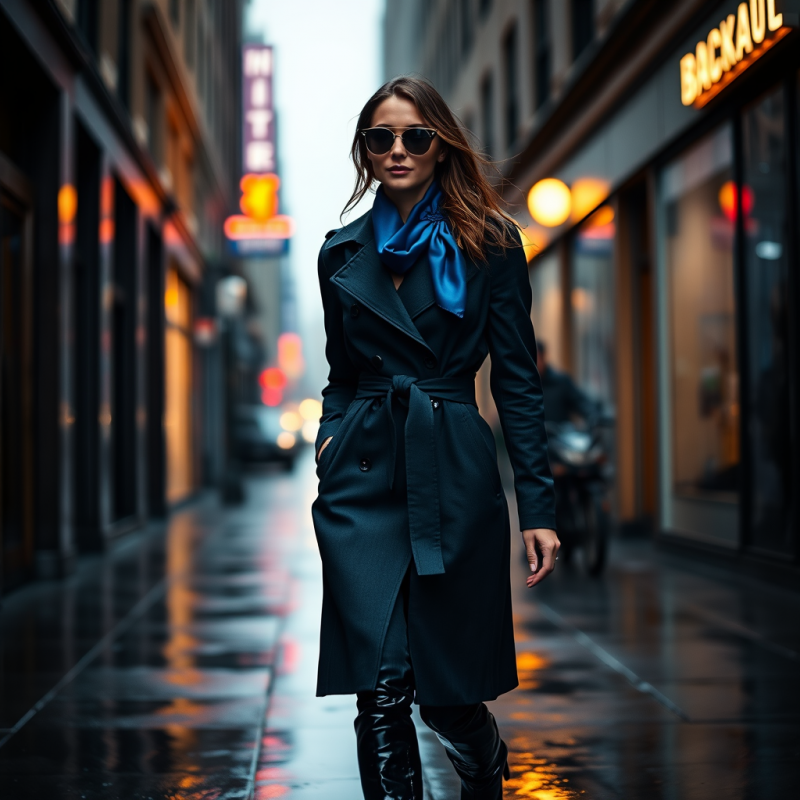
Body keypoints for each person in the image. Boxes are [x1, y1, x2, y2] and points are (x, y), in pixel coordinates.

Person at [312, 76, 559, 800]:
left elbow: (516, 381)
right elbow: (341, 372)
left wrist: (537, 509)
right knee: (380, 684)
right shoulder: (340, 253)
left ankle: (484, 767)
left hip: (452, 470)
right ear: (364, 150)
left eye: (414, 136)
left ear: (440, 144)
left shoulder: (489, 242)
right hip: (365, 480)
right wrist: (330, 437)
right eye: (379, 138)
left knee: (448, 694)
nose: (397, 151)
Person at [536, 341, 598, 425]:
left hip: (559, 435)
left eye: (536, 357)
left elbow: (581, 403)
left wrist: (594, 417)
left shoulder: (561, 382)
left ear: (543, 357)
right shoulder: (525, 385)